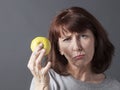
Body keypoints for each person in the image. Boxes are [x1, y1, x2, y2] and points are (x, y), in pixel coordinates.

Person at [27, 6, 120, 90]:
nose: (76, 47)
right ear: (59, 48)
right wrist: (42, 85)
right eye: (67, 39)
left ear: (95, 40)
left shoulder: (114, 87)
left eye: (83, 36)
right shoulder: (47, 79)